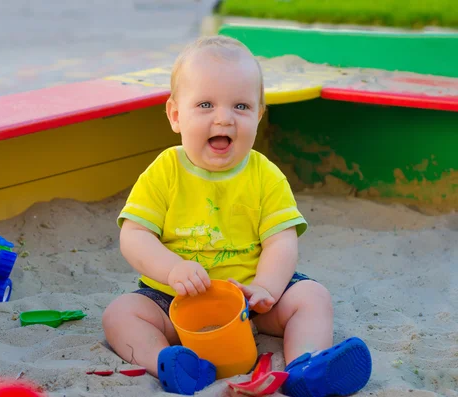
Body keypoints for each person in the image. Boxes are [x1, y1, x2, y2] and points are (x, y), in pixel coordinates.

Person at [102, 35, 372, 396]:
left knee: (312, 297)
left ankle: (306, 367)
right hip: (174, 302)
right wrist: (171, 269)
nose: (224, 118)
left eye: (241, 106)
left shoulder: (265, 175)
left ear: (260, 115)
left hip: (252, 304)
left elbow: (281, 241)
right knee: (120, 314)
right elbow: (134, 235)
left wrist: (267, 288)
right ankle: (170, 362)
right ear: (176, 115)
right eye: (205, 104)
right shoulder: (164, 171)